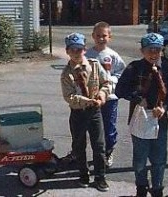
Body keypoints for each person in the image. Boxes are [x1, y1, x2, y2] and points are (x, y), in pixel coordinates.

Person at [115, 33, 168, 197]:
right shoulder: (134, 68)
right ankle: (141, 187)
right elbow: (120, 90)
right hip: (140, 116)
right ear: (142, 51)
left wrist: (164, 107)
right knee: (140, 159)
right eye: (149, 50)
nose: (153, 53)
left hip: (159, 118)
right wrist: (136, 98)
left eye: (157, 50)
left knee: (159, 158)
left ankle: (157, 188)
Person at [60, 32, 111, 192]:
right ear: (67, 51)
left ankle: (100, 177)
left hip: (95, 112)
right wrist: (85, 100)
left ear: (85, 49)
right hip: (78, 113)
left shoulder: (94, 65)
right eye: (73, 49)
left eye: (79, 49)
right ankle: (83, 174)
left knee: (99, 145)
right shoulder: (66, 74)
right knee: (79, 145)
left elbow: (107, 82)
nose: (76, 53)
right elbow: (69, 96)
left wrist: (103, 94)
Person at [86, 21, 127, 167]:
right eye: (98, 36)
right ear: (93, 36)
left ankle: (109, 151)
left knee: (109, 127)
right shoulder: (87, 55)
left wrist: (111, 80)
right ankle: (98, 153)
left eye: (104, 36)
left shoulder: (112, 55)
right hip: (92, 99)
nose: (101, 38)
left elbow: (121, 72)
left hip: (109, 99)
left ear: (110, 37)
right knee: (95, 129)